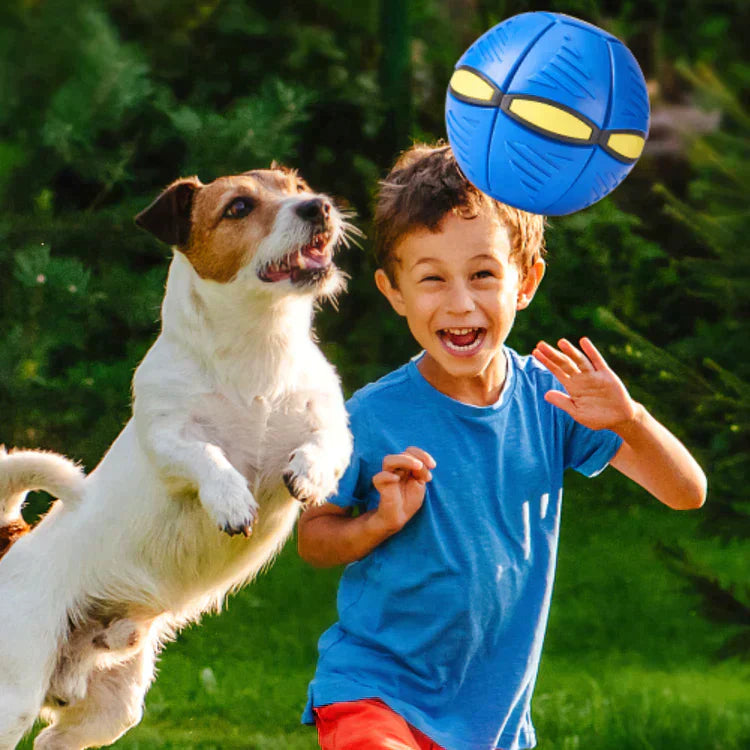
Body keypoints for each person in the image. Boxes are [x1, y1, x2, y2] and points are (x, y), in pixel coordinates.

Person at [297, 143, 706, 750]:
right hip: (377, 693)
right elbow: (314, 538)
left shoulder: (555, 401)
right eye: (432, 278)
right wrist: (378, 523)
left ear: (526, 281)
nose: (460, 303)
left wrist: (631, 418)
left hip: (491, 722)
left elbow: (686, 493)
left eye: (483, 274)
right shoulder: (368, 416)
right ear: (395, 292)